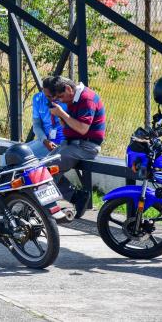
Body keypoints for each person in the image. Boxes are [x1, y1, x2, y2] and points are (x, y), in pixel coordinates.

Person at [48, 76, 106, 218]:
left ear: (68, 88)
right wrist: (61, 118)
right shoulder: (74, 98)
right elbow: (70, 124)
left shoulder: (87, 99)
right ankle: (77, 197)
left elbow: (82, 129)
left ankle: (48, 209)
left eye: (61, 96)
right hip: (73, 144)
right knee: (40, 168)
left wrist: (62, 113)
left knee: (45, 171)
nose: (61, 100)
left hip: (86, 146)